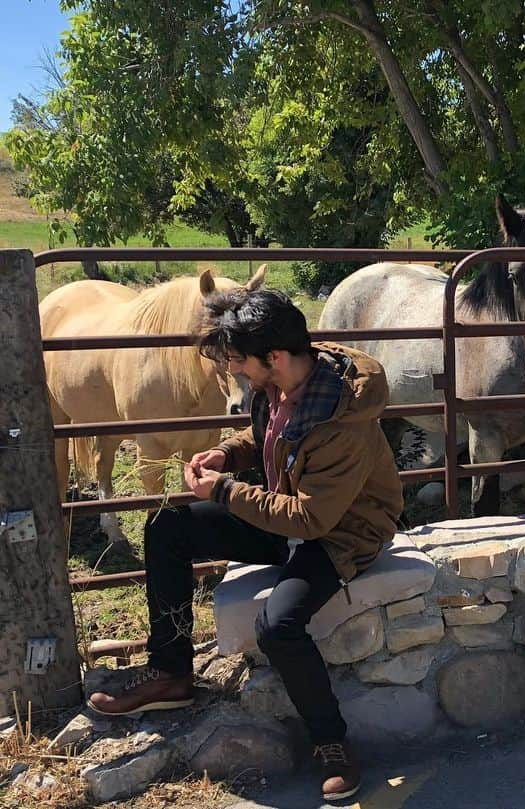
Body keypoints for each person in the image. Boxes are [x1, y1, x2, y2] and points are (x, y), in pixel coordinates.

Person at [87, 288, 405, 799]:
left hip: (342, 530)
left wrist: (227, 492)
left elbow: (310, 518)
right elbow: (268, 437)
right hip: (289, 512)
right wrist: (226, 456)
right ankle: (171, 674)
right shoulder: (278, 381)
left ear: (273, 357)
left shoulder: (343, 418)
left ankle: (333, 742)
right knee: (167, 526)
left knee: (278, 627)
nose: (235, 372)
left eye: (238, 362)